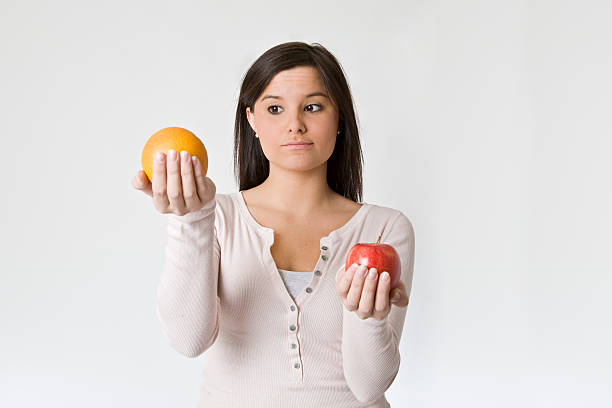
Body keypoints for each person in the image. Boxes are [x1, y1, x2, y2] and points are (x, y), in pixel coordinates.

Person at [132, 41, 415, 408]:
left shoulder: (384, 228)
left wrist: (370, 318)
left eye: (313, 107)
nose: (295, 125)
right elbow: (188, 341)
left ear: (340, 118)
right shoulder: (214, 216)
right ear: (252, 120)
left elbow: (368, 386)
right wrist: (190, 221)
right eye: (276, 108)